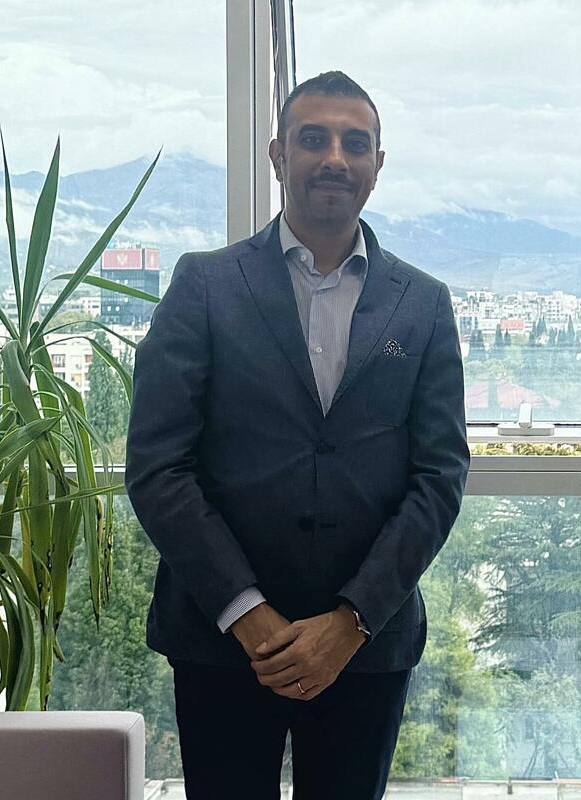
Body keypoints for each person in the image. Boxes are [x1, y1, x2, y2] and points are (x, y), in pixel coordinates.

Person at [126, 70, 470, 799]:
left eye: (355, 143)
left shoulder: (424, 304)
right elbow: (159, 466)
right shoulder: (204, 285)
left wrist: (351, 620)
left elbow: (439, 478)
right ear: (278, 155)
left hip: (364, 648)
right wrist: (246, 614)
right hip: (222, 643)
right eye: (313, 139)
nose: (334, 158)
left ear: (379, 164)